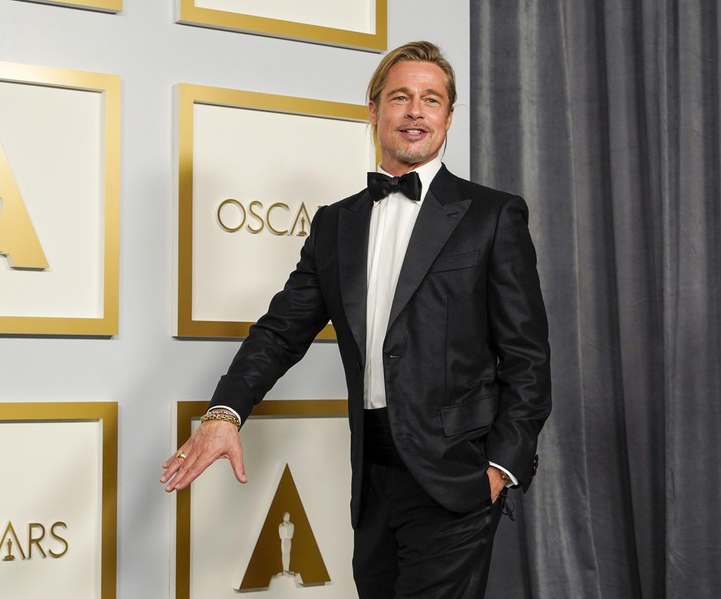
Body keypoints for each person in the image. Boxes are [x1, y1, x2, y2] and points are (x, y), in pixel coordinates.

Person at [161, 40, 551, 599]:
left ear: (447, 116)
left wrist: (500, 471)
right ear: (373, 110)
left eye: (432, 100)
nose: (416, 111)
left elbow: (528, 360)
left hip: (457, 481)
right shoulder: (334, 225)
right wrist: (225, 413)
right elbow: (280, 331)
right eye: (400, 97)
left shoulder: (493, 216)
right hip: (372, 483)